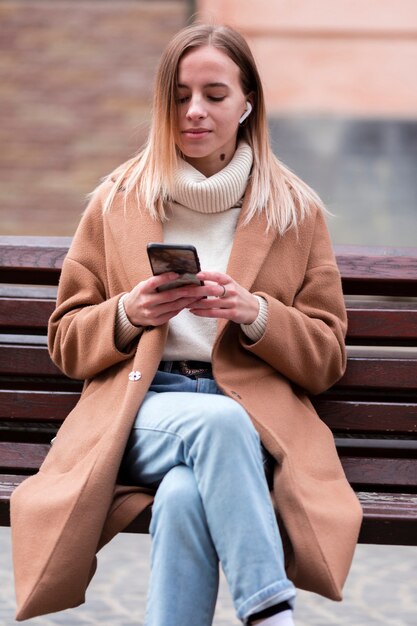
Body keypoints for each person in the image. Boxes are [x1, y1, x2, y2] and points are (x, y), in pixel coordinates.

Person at [11, 22, 363, 626]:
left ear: (248, 102)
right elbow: (66, 341)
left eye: (215, 95)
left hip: (247, 417)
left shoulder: (292, 211)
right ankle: (271, 610)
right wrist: (127, 315)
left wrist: (257, 315)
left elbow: (327, 357)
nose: (194, 112)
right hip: (139, 409)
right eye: (178, 96)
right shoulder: (118, 200)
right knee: (215, 424)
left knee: (184, 494)